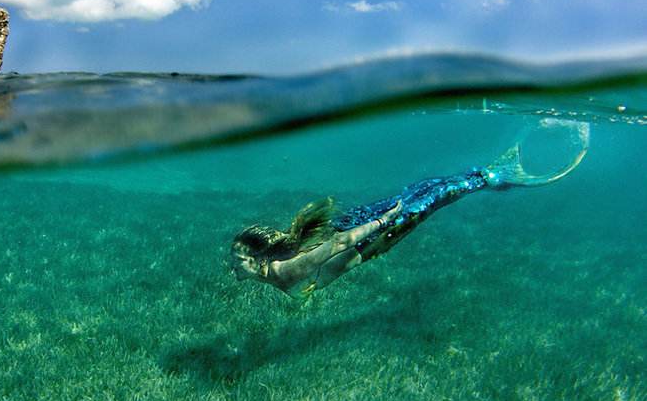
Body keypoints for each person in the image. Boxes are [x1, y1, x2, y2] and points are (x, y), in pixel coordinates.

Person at [231, 121, 589, 298]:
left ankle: (495, 176)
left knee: (431, 200)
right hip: (357, 224)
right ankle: (485, 174)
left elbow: (340, 246)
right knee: (420, 190)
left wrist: (385, 222)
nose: (233, 266)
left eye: (238, 259)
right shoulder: (277, 270)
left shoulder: (285, 271)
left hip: (373, 234)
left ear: (260, 256)